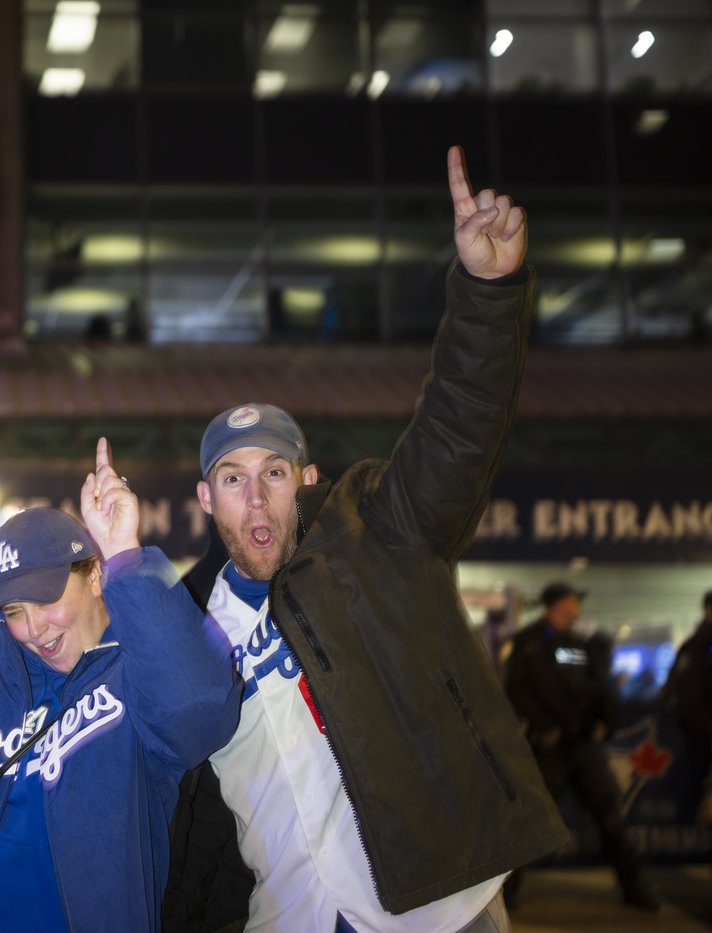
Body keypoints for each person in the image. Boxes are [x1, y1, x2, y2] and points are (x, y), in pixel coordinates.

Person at [182, 147, 568, 931]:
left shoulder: (375, 532)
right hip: (290, 914)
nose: (255, 495)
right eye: (232, 477)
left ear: (307, 477)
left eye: (274, 472)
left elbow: (457, 429)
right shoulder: (186, 620)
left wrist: (488, 293)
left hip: (440, 908)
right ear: (204, 497)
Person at [0, 438, 242, 932]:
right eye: (14, 610)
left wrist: (125, 556)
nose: (34, 629)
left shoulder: (137, 671)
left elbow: (200, 717)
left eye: (46, 600)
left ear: (95, 575)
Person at [503, 583, 660, 910]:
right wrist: (544, 727)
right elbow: (515, 690)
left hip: (584, 745)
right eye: (573, 600)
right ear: (557, 604)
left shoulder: (583, 641)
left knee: (611, 818)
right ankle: (505, 893)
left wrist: (606, 722)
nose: (577, 606)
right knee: (532, 820)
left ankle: (634, 888)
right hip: (550, 748)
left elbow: (600, 685)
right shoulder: (529, 641)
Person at [667, 590, 712, 822]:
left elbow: (672, 688)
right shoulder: (701, 645)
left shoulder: (692, 644)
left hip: (693, 733)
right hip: (701, 733)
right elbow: (688, 692)